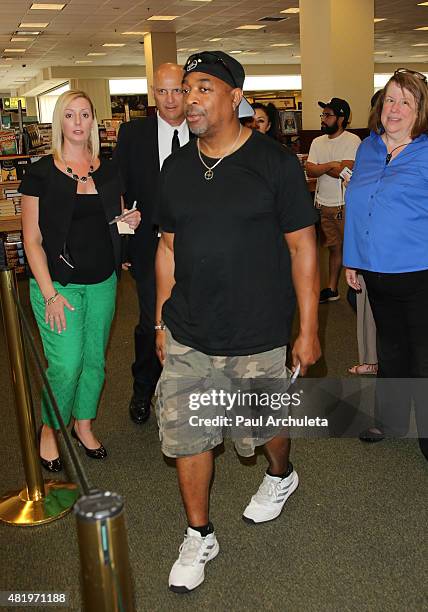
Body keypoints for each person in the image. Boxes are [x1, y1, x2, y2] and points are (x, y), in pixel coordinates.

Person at [154, 50, 321, 593]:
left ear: (234, 97)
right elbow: (167, 247)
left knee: (263, 427)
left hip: (257, 329)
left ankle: (281, 475)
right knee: (188, 433)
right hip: (189, 329)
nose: (189, 98)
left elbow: (303, 247)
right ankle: (199, 532)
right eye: (185, 88)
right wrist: (160, 321)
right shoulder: (176, 168)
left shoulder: (273, 163)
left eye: (203, 88)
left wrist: (310, 328)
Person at [21, 90, 140, 471]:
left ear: (93, 121)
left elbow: (113, 220)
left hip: (102, 280)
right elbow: (32, 240)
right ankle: (50, 430)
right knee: (66, 365)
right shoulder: (40, 173)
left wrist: (127, 223)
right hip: (57, 286)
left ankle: (83, 425)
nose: (77, 122)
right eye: (69, 115)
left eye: (85, 114)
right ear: (60, 122)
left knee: (94, 363)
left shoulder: (107, 170)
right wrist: (50, 294)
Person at [344, 68, 428, 461]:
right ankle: (391, 420)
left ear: (419, 111)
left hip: (419, 273)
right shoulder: (368, 148)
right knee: (391, 349)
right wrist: (351, 259)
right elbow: (357, 206)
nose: (394, 109)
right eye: (390, 99)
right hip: (377, 272)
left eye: (405, 103)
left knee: (423, 354)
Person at [114, 63, 190, 425]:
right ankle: (143, 386)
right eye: (163, 91)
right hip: (148, 245)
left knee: (192, 317)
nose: (171, 99)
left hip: (195, 245)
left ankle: (188, 391)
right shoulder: (133, 134)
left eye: (177, 90)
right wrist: (125, 237)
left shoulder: (204, 128)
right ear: (153, 93)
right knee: (151, 322)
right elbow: (119, 190)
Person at [306, 98, 360, 303]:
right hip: (323, 204)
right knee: (333, 248)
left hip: (345, 205)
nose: (323, 119)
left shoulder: (353, 140)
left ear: (341, 118)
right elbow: (310, 169)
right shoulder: (317, 142)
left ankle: (358, 289)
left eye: (328, 115)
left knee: (352, 248)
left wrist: (326, 167)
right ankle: (332, 288)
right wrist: (331, 164)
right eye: (323, 115)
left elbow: (344, 172)